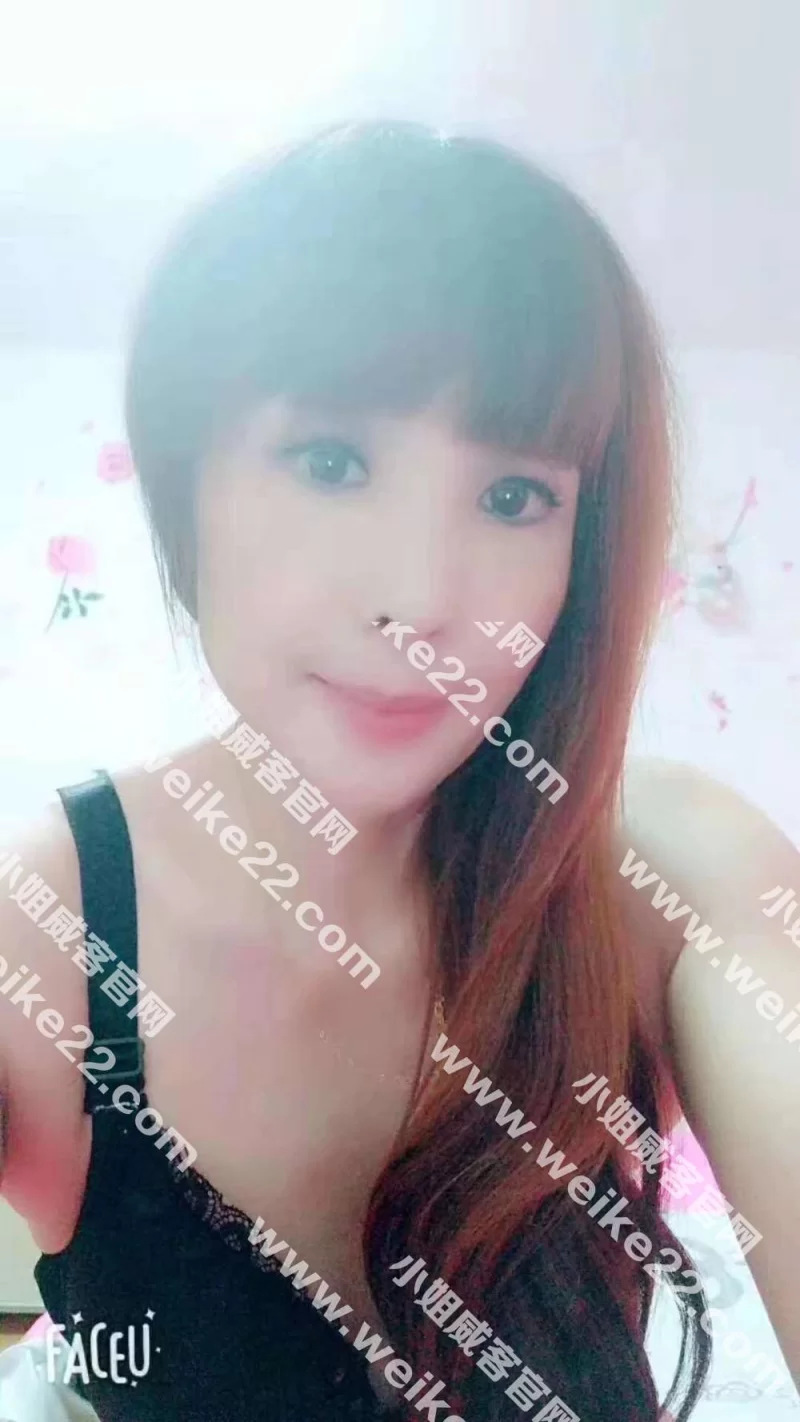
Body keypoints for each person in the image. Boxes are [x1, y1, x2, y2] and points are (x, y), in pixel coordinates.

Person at [0, 120, 797, 1422]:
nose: (424, 601)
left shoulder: (661, 873)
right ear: (186, 480)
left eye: (515, 497)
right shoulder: (42, 932)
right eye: (331, 462)